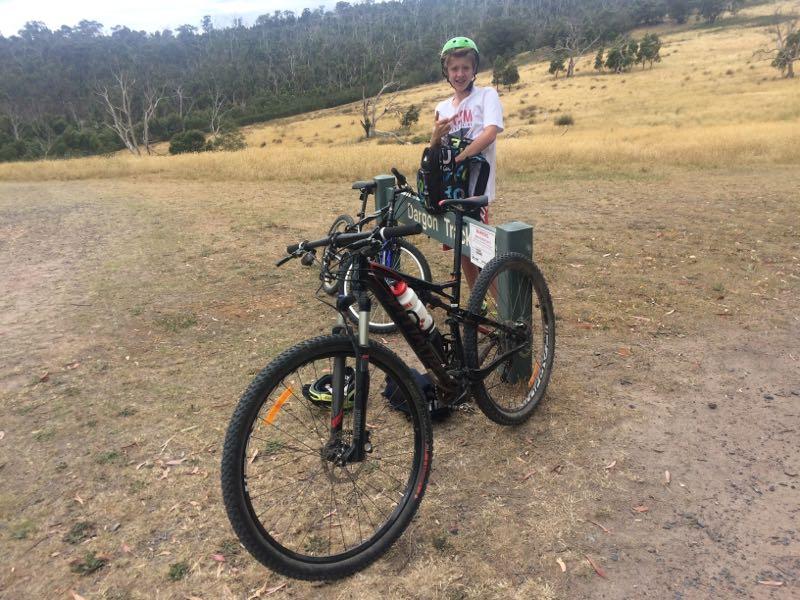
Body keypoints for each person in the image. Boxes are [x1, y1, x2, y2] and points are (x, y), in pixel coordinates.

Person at [430, 36, 504, 289]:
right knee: (461, 248)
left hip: (476, 191)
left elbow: (490, 132)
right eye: (454, 68)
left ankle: (502, 313)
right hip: (450, 189)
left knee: (482, 254)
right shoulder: (442, 106)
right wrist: (434, 139)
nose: (460, 74)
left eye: (465, 68)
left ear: (474, 70)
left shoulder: (486, 96)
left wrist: (463, 155)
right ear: (446, 71)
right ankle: (477, 303)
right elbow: (436, 148)